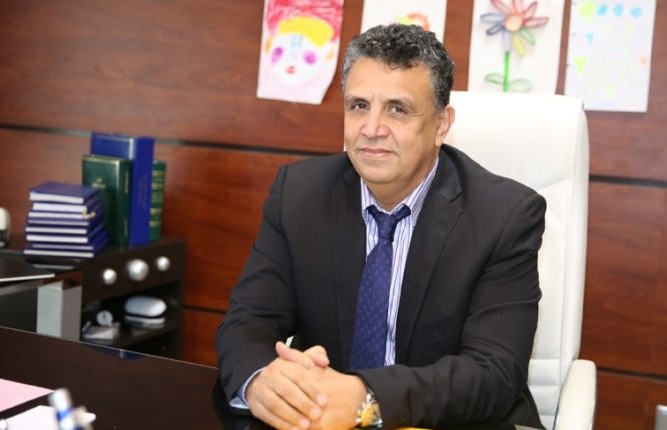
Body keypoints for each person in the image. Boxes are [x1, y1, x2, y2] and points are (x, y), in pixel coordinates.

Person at [217, 23, 546, 430]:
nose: (371, 129)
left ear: (441, 125)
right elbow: (248, 320)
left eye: (397, 109)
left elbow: (493, 372)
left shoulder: (504, 216)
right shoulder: (299, 194)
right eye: (358, 106)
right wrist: (260, 380)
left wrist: (366, 397)